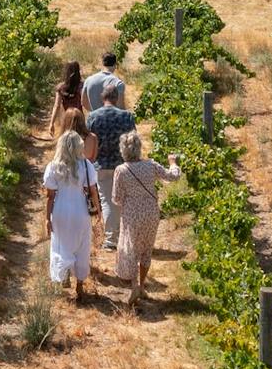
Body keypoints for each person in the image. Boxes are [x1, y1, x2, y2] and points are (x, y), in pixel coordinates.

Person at [111, 130, 181, 306]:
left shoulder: (121, 170)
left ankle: (134, 285)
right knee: (146, 250)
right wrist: (173, 163)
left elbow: (116, 198)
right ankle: (142, 286)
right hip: (151, 213)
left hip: (131, 215)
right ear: (139, 148)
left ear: (123, 150)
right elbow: (173, 176)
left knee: (131, 249)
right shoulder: (150, 165)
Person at [42, 128, 99, 302]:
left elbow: (50, 196)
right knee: (82, 246)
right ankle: (79, 287)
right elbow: (93, 190)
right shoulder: (86, 165)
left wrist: (46, 218)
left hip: (60, 210)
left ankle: (64, 273)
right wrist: (97, 209)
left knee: (61, 244)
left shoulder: (53, 167)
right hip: (80, 210)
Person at [85, 81, 137, 253]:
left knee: (107, 201)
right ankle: (122, 236)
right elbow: (133, 141)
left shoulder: (93, 116)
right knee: (123, 201)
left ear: (102, 97)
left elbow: (87, 141)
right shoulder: (127, 116)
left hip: (101, 164)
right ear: (117, 97)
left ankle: (110, 240)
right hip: (122, 164)